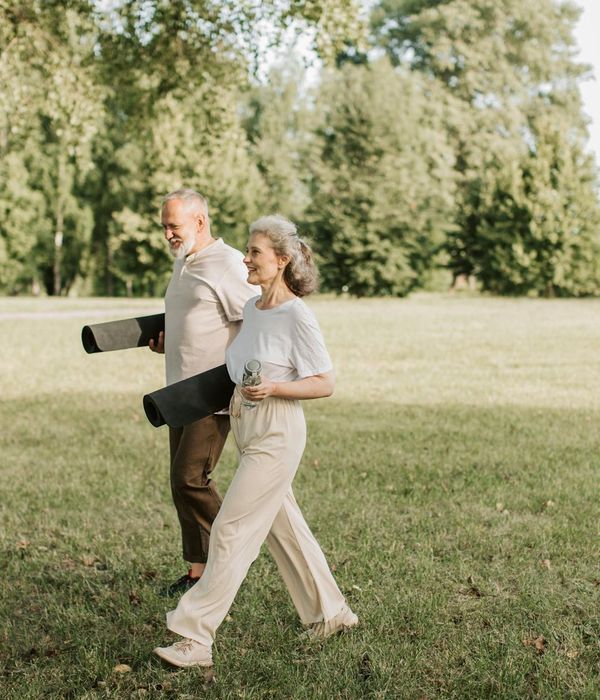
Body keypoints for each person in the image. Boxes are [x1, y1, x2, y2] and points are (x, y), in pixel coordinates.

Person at [153, 214, 358, 669]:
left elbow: (325, 382)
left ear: (282, 260)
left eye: (255, 252)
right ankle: (332, 613)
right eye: (247, 251)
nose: (245, 259)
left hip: (278, 432)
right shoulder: (252, 310)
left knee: (230, 528)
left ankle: (195, 637)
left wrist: (274, 388)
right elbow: (234, 363)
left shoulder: (295, 315)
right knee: (286, 530)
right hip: (249, 427)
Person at [150, 188, 258, 596]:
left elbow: (255, 321)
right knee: (180, 480)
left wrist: (244, 381)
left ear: (199, 221)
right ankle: (198, 572)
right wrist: (168, 339)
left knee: (190, 477)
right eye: (163, 227)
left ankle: (235, 556)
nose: (167, 235)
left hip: (210, 393)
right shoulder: (185, 262)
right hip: (178, 391)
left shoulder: (227, 264)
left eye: (173, 226)